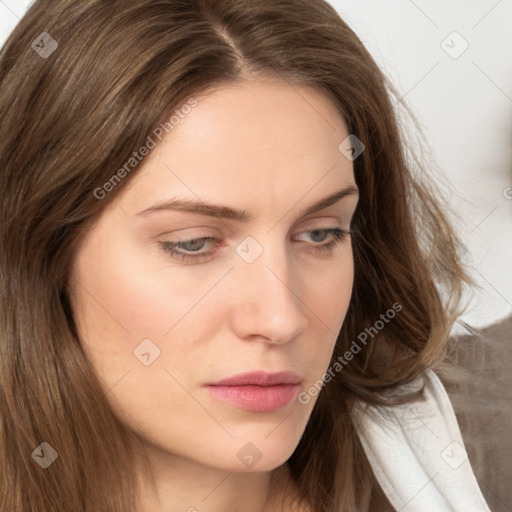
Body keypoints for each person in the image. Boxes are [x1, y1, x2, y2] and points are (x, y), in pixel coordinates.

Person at [0, 0, 492, 511]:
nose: (281, 319)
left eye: (321, 234)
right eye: (192, 243)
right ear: (44, 252)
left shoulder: (475, 457)